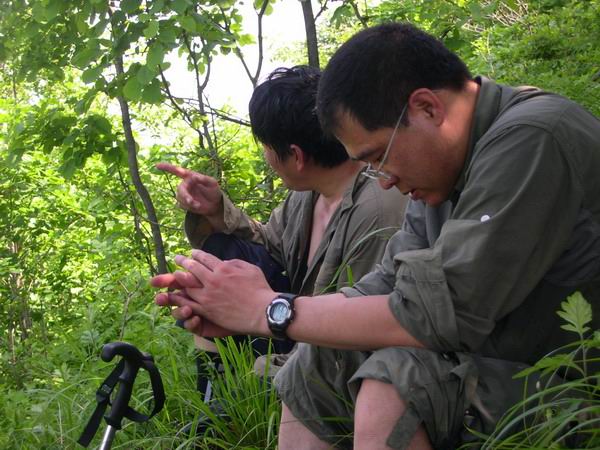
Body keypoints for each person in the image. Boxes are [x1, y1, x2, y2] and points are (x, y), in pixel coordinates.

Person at [152, 23, 600, 449]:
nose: (382, 180)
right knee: (316, 360)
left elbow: (441, 312)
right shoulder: (437, 175)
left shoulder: (533, 137)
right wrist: (244, 313)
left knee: (397, 379)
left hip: (576, 387)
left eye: (378, 157)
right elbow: (385, 285)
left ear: (428, 108)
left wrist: (269, 310)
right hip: (507, 367)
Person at [156, 66, 408, 399]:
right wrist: (216, 210)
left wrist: (263, 371)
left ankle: (238, 401)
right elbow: (271, 244)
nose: (266, 156)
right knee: (216, 258)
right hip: (294, 321)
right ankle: (215, 403)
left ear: (297, 156)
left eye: (266, 147)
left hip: (334, 345)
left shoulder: (376, 211)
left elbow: (356, 331)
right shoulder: (309, 192)